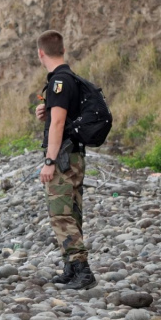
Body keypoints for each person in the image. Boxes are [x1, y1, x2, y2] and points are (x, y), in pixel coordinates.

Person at [34, 30, 97, 290]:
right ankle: (71, 268)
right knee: (72, 211)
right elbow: (61, 117)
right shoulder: (70, 77)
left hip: (62, 158)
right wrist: (45, 113)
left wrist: (49, 162)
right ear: (62, 50)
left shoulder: (58, 81)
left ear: (41, 53)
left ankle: (82, 270)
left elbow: (58, 123)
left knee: (60, 214)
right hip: (75, 154)